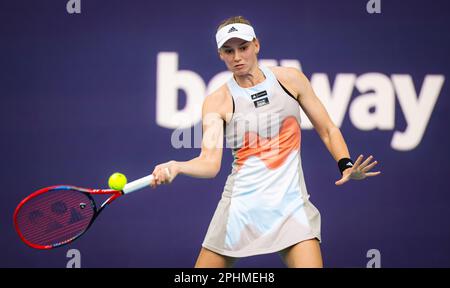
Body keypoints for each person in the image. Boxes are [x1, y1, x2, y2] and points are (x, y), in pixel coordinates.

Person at [150, 16, 381, 268]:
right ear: (221, 55)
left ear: (256, 45)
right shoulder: (218, 101)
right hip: (240, 211)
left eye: (243, 47)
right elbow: (209, 162)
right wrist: (177, 166)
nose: (237, 56)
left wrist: (345, 163)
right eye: (229, 50)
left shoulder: (290, 79)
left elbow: (327, 129)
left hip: (291, 209)